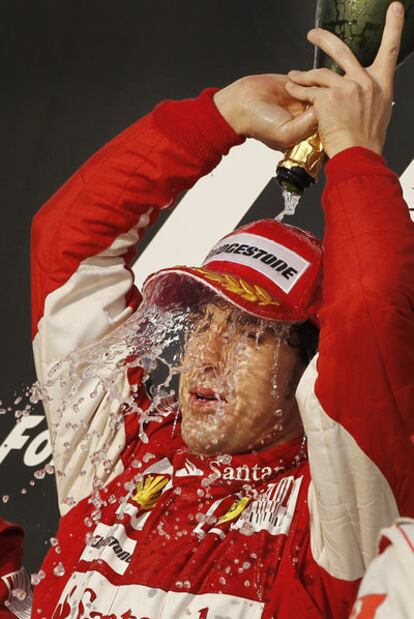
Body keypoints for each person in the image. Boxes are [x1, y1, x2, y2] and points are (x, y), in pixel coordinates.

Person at [29, 3, 414, 618]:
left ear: (310, 373)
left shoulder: (338, 522)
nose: (207, 354)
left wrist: (354, 152)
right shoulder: (115, 461)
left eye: (252, 333)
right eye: (204, 320)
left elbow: (368, 317)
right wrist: (221, 116)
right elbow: (68, 254)